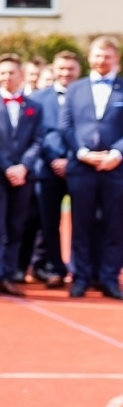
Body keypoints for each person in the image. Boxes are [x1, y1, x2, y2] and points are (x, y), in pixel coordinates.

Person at [59, 36, 123, 299]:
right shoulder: (75, 88)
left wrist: (118, 153)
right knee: (81, 225)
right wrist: (82, 152)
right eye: (97, 55)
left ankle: (109, 278)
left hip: (116, 168)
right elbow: (66, 125)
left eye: (107, 56)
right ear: (89, 57)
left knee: (114, 225)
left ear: (116, 58)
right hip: (82, 167)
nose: (101, 60)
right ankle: (81, 277)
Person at [0, 54, 41, 298]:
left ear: (21, 75)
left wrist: (23, 166)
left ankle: (8, 274)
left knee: (17, 227)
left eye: (10, 73)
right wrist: (7, 167)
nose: (5, 77)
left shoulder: (34, 106)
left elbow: (38, 140)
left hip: (24, 177)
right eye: (1, 73)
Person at [29, 50, 81, 287]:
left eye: (70, 69)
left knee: (83, 221)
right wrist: (53, 160)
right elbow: (35, 134)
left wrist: (72, 159)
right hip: (47, 168)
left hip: (80, 166)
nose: (66, 73)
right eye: (61, 68)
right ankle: (55, 269)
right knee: (48, 223)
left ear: (78, 70)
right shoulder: (39, 98)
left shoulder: (85, 93)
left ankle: (81, 269)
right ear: (54, 69)